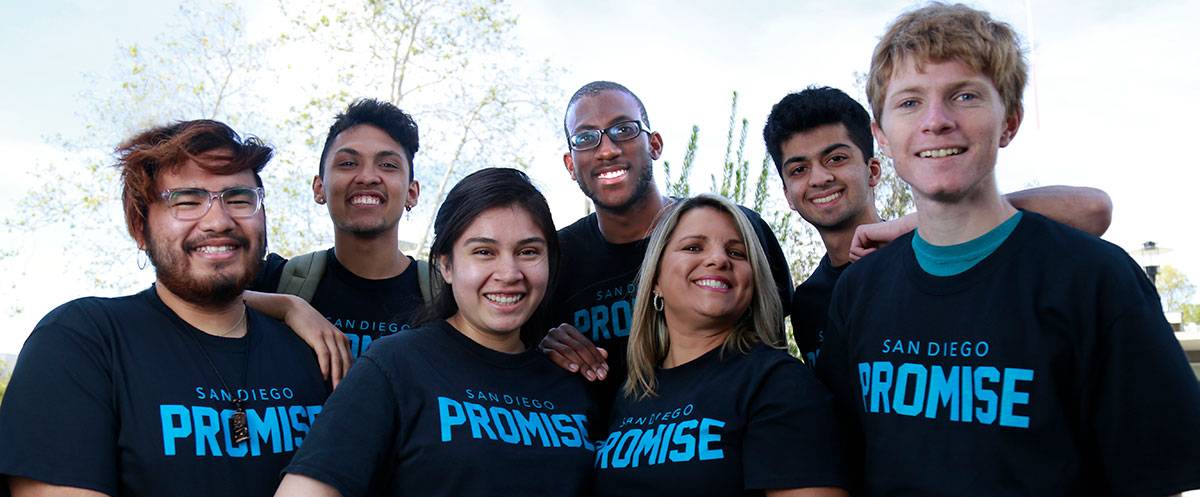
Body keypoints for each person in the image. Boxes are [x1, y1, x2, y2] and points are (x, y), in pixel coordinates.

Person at [815, 4, 1200, 495]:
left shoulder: (1096, 280)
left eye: (966, 95)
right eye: (910, 102)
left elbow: (1157, 478)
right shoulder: (860, 291)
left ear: (1010, 121)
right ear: (882, 136)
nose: (936, 120)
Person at [0, 120, 330, 497]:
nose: (219, 220)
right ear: (140, 227)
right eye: (187, 201)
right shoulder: (81, 342)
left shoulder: (314, 352)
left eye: (239, 198)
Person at [275, 168, 596, 497]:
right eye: (484, 252)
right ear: (445, 264)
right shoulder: (395, 366)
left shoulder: (568, 380)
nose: (509, 273)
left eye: (528, 252)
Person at [761, 86, 1113, 365]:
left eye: (836, 158)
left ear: (872, 171)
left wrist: (923, 223)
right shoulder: (807, 303)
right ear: (789, 194)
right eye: (799, 169)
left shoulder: (936, 249)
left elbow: (1092, 209)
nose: (820, 177)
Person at [540, 81, 793, 412]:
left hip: (726, 440)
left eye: (623, 129)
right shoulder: (553, 261)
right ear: (570, 165)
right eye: (585, 138)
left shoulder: (735, 233)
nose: (607, 150)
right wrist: (542, 350)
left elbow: (773, 342)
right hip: (613, 451)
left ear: (655, 144)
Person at [594, 193, 846, 497]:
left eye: (737, 253)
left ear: (753, 282)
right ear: (656, 279)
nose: (718, 259)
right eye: (693, 247)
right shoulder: (632, 392)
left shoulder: (778, 383)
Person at [244, 99, 426, 386]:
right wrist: (289, 308)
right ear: (319, 188)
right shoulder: (278, 281)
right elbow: (179, 297)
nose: (367, 177)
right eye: (348, 163)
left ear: (412, 193)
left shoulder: (446, 294)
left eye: (388, 165)